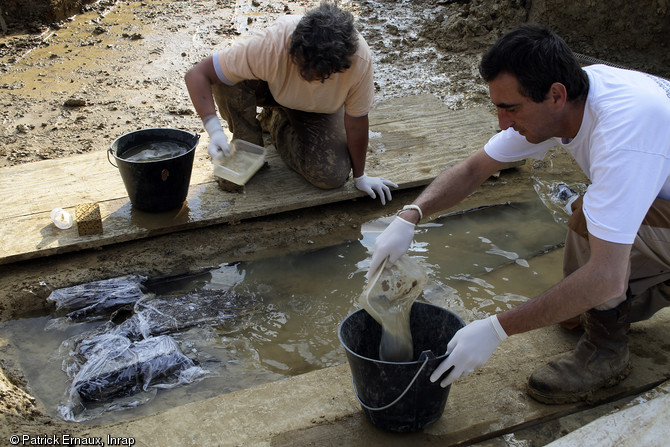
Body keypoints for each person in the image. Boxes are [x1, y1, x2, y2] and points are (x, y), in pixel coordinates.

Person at [369, 24, 670, 404]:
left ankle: (606, 354)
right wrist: (409, 215)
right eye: (498, 107)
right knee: (573, 308)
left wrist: (496, 328)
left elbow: (607, 277)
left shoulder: (622, 134)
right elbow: (473, 169)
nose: (502, 122)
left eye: (510, 108)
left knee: (589, 226)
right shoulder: (567, 97)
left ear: (555, 95)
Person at [184, 2, 396, 204]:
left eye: (318, 74)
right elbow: (197, 75)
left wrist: (360, 177)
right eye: (301, 66)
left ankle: (276, 121)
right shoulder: (273, 43)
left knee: (331, 175)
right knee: (226, 79)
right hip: (269, 88)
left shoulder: (359, 61)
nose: (306, 76)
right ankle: (248, 142)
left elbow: (356, 122)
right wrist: (215, 131)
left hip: (317, 109)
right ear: (294, 48)